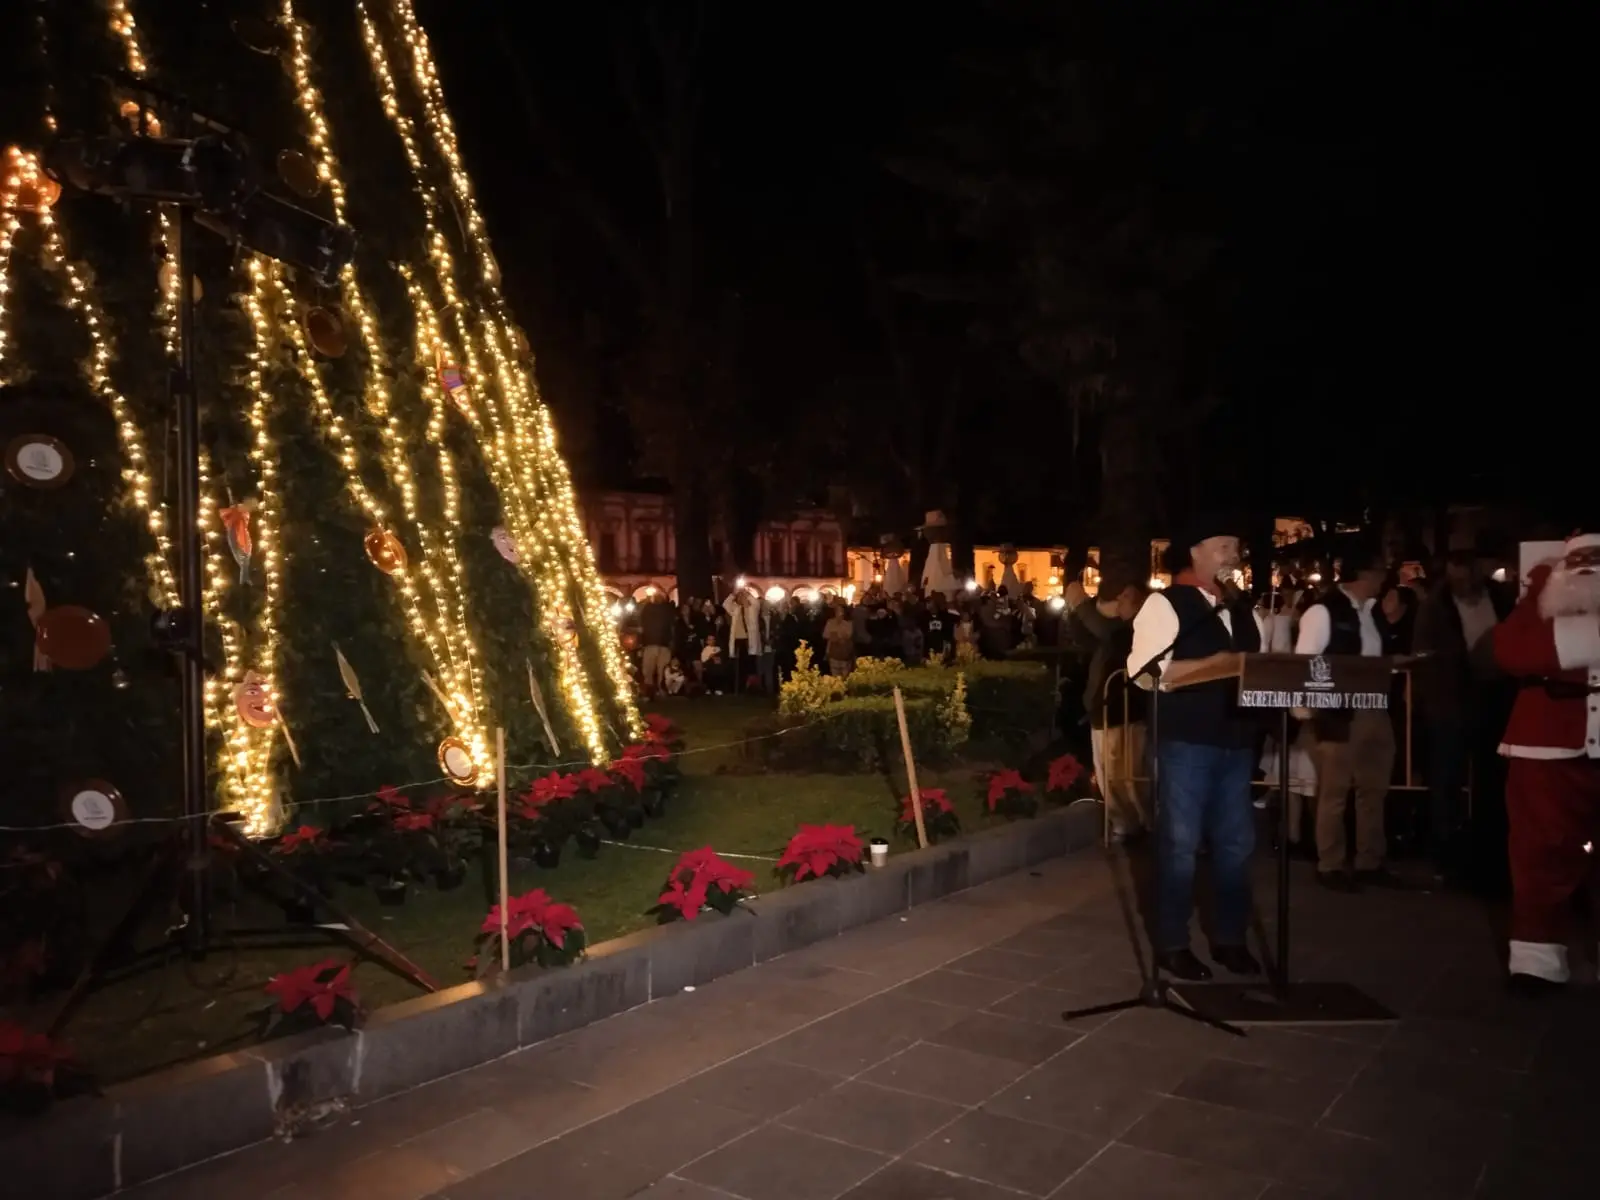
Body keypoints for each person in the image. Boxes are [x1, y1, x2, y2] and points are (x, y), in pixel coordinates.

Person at [1127, 516, 1267, 981]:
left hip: (1236, 741)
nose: (1233, 552)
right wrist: (1217, 663)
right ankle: (1171, 943)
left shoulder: (1244, 610)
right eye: (1223, 544)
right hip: (1185, 741)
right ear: (1195, 552)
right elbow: (1147, 673)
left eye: (1235, 545)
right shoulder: (1164, 605)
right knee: (1179, 846)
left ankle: (1230, 939)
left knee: (1236, 846)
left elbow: (1260, 670)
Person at [1490, 531, 1600, 993]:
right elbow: (1514, 652)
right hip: (1546, 746)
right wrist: (1540, 592)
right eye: (1576, 562)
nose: (1585, 571)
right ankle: (1537, 960)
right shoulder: (1539, 605)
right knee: (1539, 854)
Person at [1295, 546, 1396, 890]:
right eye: (1379, 571)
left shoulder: (1371, 612)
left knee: (1373, 787)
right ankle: (1331, 863)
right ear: (1363, 575)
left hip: (1373, 705)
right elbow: (1305, 663)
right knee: (1335, 791)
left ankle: (1369, 859)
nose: (1383, 579)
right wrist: (1309, 711)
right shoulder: (1323, 612)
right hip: (1338, 710)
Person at [1412, 549, 1514, 878]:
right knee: (1447, 778)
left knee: (1492, 776)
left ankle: (1490, 845)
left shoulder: (1499, 598)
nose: (1461, 582)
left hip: (1493, 697)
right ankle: (1447, 850)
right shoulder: (1436, 606)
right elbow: (1425, 655)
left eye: (1465, 575)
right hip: (1451, 702)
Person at [1073, 577, 1149, 840]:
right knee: (1110, 772)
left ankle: (1136, 821)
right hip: (1107, 710)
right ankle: (1127, 821)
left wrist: (1082, 604)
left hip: (1125, 710)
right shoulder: (1120, 628)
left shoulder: (1134, 628)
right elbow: (1085, 635)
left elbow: (1105, 632)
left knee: (1129, 773)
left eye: (1125, 597)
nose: (1120, 603)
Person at [638, 594, 675, 695]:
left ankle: (655, 689)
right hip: (657, 643)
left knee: (655, 669)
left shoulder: (649, 609)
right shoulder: (665, 610)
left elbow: (642, 624)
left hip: (657, 643)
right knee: (655, 669)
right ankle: (654, 689)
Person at [822, 603, 855, 678]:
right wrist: (835, 636)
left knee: (845, 675)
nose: (839, 613)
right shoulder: (830, 622)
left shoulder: (848, 623)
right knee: (835, 676)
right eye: (837, 611)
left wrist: (836, 635)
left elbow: (848, 635)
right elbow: (825, 635)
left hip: (845, 653)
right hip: (833, 653)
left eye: (841, 611)